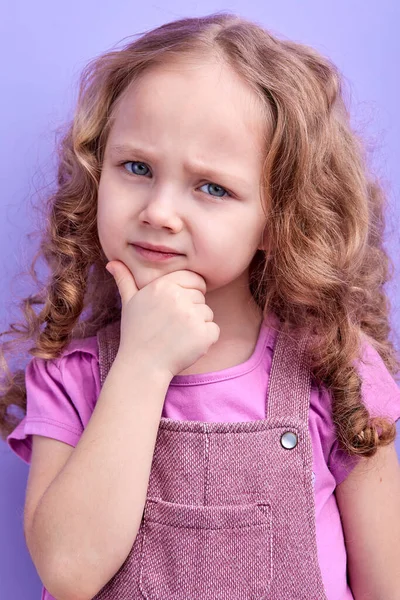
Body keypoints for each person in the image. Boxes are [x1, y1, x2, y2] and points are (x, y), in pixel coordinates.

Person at [1, 10, 400, 600]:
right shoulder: (71, 376)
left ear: (277, 219)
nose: (160, 210)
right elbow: (67, 571)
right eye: (136, 167)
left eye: (212, 187)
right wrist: (141, 363)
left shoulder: (335, 367)